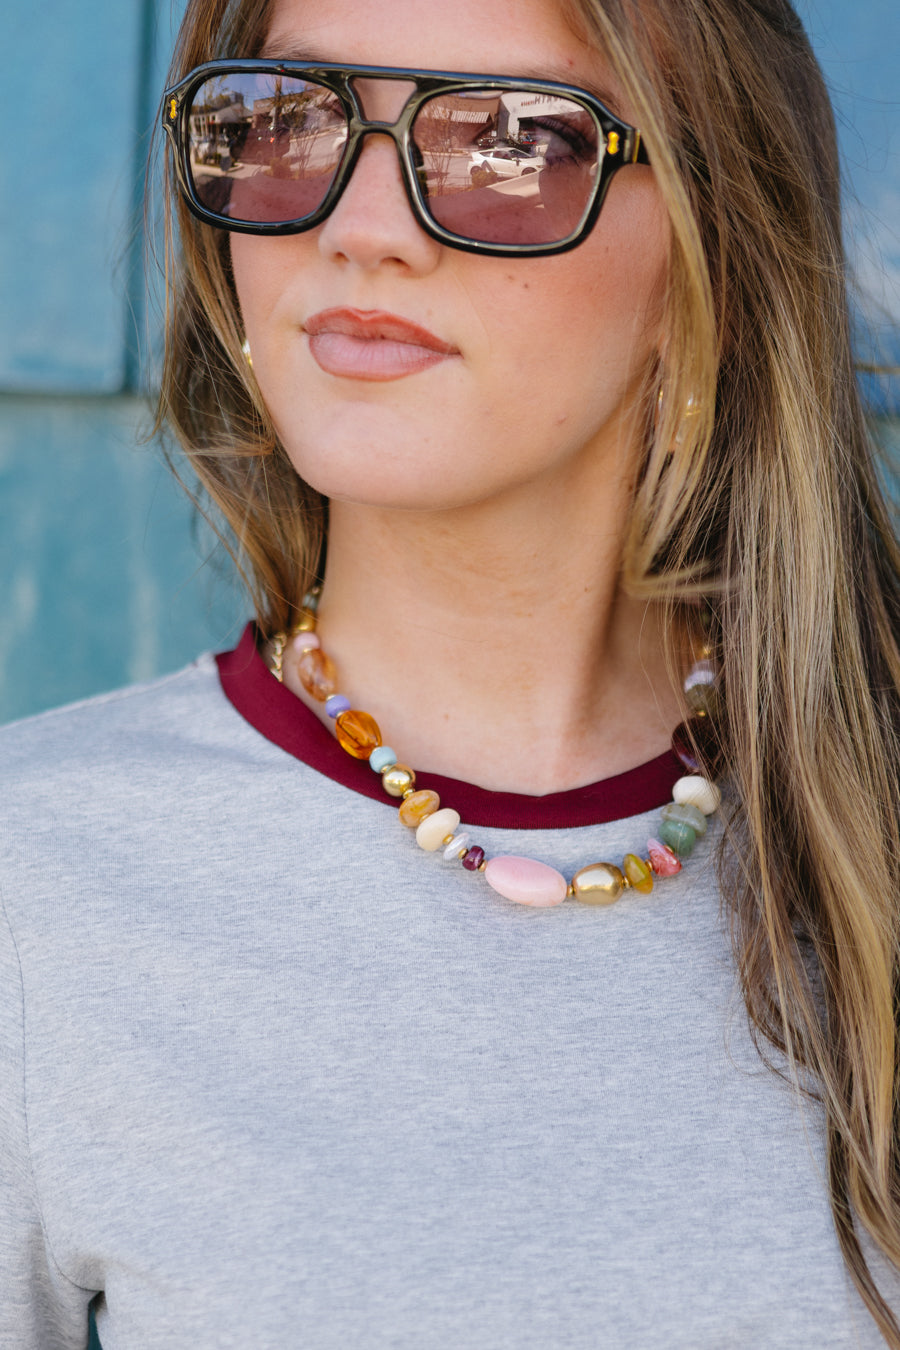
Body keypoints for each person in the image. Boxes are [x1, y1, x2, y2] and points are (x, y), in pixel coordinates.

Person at [2, 0, 900, 1344]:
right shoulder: (34, 886)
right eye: (288, 120)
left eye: (509, 143)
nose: (361, 228)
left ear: (712, 246)